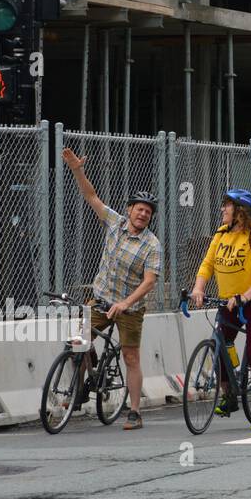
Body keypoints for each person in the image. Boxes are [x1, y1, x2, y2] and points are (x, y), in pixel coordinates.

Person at [60, 148, 162, 431]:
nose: (142, 214)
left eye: (148, 212)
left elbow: (150, 281)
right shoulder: (115, 223)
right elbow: (91, 196)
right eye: (139, 209)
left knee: (130, 356)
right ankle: (79, 390)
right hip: (102, 299)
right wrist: (77, 169)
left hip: (130, 307)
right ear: (129, 210)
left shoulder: (152, 245)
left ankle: (134, 412)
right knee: (77, 342)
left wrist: (126, 303)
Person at [191, 188, 251, 432]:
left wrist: (246, 295)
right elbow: (207, 264)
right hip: (228, 300)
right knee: (221, 344)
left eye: (227, 205)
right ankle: (229, 396)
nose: (222, 209)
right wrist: (199, 287)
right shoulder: (221, 234)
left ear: (240, 210)